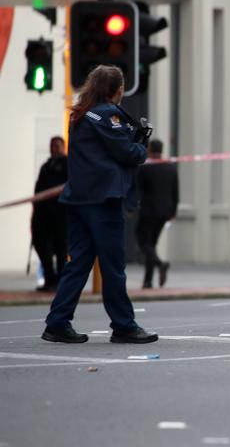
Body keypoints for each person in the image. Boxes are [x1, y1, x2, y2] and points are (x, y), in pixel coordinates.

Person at [42, 65, 157, 344]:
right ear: (116, 89)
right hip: (102, 200)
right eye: (121, 87)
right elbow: (126, 152)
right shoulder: (108, 114)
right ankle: (123, 325)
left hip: (79, 198)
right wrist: (141, 146)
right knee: (112, 265)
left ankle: (57, 322)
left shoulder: (82, 113)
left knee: (78, 263)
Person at [136, 139, 178, 288]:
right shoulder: (171, 167)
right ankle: (148, 281)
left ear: (149, 150)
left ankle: (160, 264)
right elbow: (175, 191)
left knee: (143, 242)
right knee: (152, 244)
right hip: (164, 212)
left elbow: (138, 188)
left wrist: (132, 206)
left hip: (148, 211)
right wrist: (173, 212)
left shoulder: (146, 167)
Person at [31, 136, 68, 293]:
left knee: (61, 248)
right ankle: (49, 277)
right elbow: (38, 189)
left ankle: (61, 281)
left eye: (58, 145)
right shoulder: (46, 166)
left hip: (61, 213)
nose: (55, 148)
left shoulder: (69, 164)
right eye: (53, 145)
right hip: (43, 214)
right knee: (40, 243)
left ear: (63, 147)